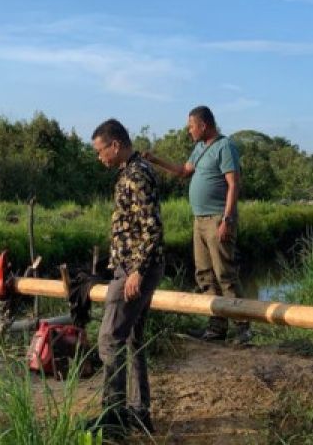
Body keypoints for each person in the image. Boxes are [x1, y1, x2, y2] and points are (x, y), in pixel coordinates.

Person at [144, 105, 251, 344]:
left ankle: (243, 327)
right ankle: (216, 326)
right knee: (204, 274)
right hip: (199, 221)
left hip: (217, 220)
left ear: (204, 125)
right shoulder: (200, 148)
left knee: (225, 273)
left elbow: (233, 184)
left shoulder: (225, 147)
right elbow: (183, 171)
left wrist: (227, 219)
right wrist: (155, 160)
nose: (189, 131)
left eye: (191, 126)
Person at [90, 118, 165, 435]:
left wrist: (136, 271)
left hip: (135, 270)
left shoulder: (136, 175)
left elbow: (152, 227)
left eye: (100, 150)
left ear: (115, 145)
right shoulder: (133, 172)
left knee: (109, 339)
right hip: (136, 267)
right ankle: (138, 412)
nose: (99, 157)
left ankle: (113, 417)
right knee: (132, 339)